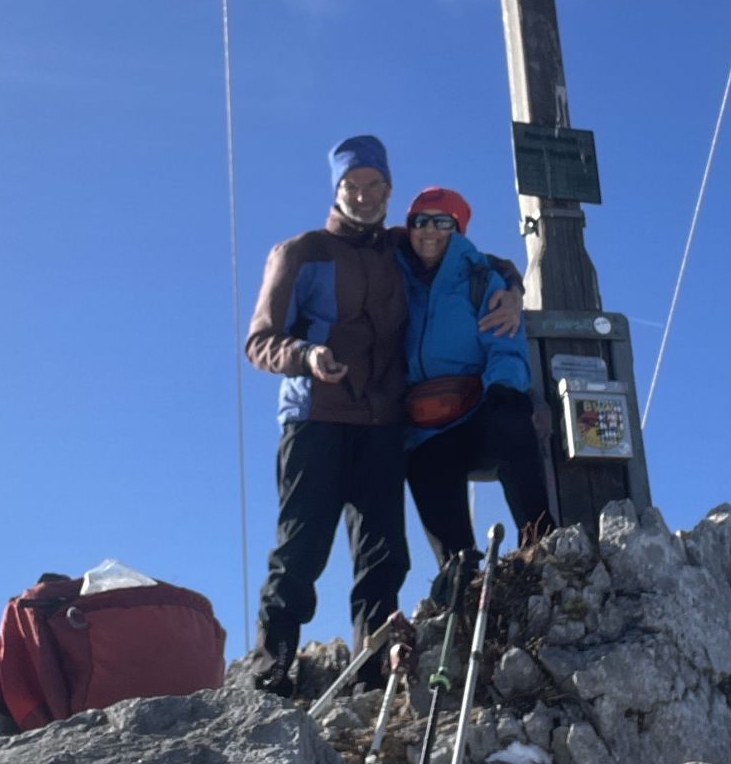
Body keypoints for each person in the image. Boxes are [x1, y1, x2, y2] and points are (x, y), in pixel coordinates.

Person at [237, 137, 520, 695]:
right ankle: (273, 664)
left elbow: (479, 261)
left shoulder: (398, 246)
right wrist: (306, 356)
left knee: (384, 554)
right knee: (302, 546)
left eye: (375, 185)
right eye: (353, 185)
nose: (364, 195)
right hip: (315, 417)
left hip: (384, 423)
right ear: (336, 189)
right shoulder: (301, 252)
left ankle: (370, 672)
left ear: (389, 190)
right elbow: (259, 341)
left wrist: (512, 288)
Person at [396, 186, 553, 578]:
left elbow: (505, 343)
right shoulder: (395, 278)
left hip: (477, 406)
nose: (429, 230)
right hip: (427, 424)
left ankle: (541, 543)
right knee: (425, 463)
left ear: (459, 229)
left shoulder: (480, 278)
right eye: (420, 220)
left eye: (442, 222)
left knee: (512, 421)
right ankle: (458, 573)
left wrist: (503, 387)